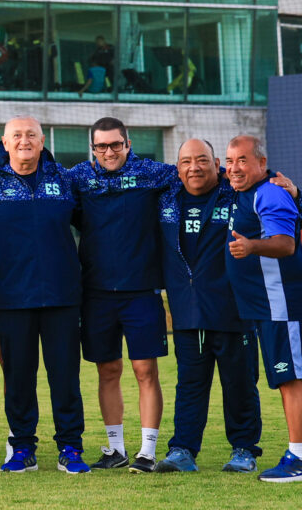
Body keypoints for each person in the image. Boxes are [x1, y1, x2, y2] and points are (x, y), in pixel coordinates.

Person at [153, 140, 302, 474]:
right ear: (177, 168)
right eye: (186, 161)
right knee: (189, 385)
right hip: (187, 310)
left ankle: (244, 450)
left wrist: (296, 195)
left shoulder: (236, 193)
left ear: (216, 163)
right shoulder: (164, 197)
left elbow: (292, 217)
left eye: (202, 160)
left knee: (240, 385)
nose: (194, 167)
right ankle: (182, 450)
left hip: (235, 308)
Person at [0, 116, 89, 474]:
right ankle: (22, 448)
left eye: (31, 135)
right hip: (10, 299)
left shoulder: (63, 178)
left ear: (42, 140)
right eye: (16, 135)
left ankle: (70, 448)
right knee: (18, 377)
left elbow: (90, 225)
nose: (24, 141)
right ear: (4, 143)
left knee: (65, 377)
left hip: (62, 297)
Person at [67, 117, 176, 473]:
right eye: (101, 146)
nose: (109, 151)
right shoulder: (79, 177)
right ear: (93, 149)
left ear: (128, 144)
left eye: (116, 144)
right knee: (107, 370)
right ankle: (116, 450)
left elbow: (196, 174)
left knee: (145, 370)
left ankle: (147, 451)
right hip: (96, 292)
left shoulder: (152, 173)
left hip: (141, 290)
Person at [225, 135, 302, 483]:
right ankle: (300, 454)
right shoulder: (244, 190)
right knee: (286, 379)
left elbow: (285, 244)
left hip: (284, 302)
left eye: (242, 160)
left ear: (261, 163)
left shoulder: (269, 192)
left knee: (291, 379)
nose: (234, 168)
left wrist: (251, 246)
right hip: (269, 305)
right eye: (229, 161)